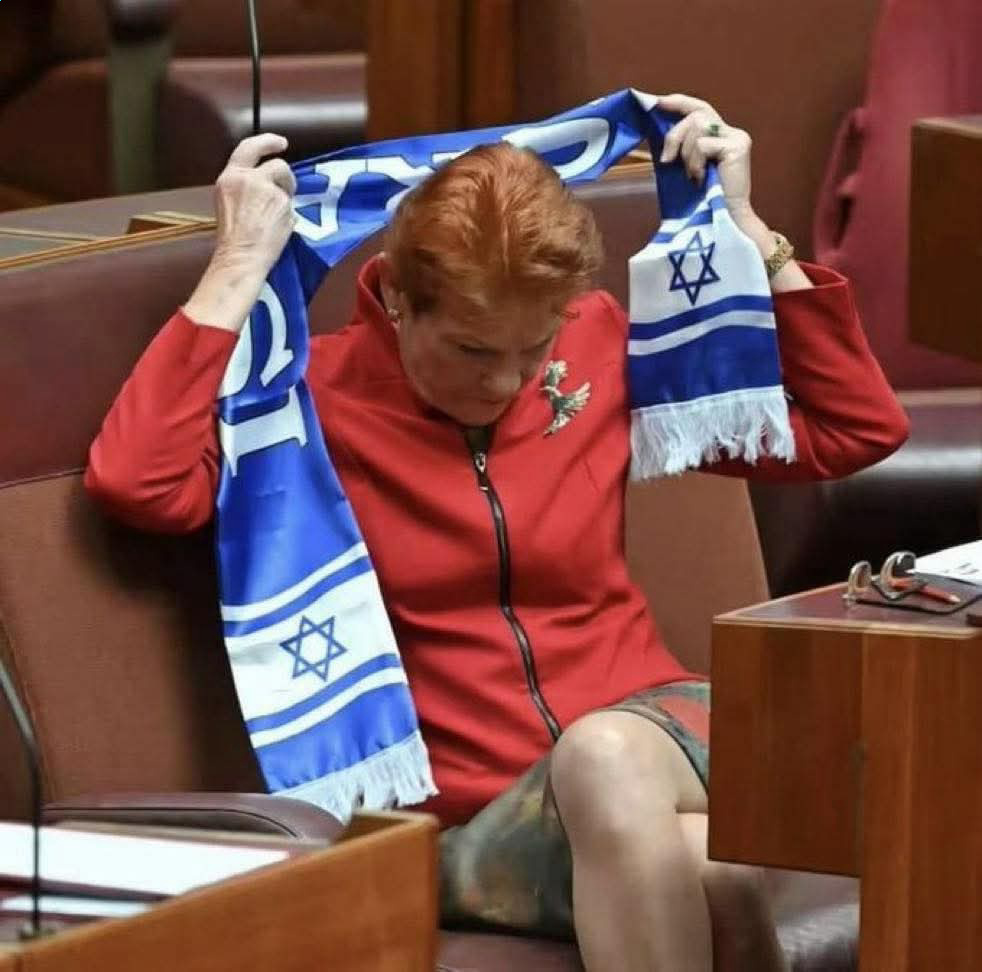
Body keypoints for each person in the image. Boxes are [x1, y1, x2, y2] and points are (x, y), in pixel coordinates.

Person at [86, 94, 909, 971]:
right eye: (474, 351)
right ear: (397, 297)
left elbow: (852, 429)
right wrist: (238, 265)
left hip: (663, 732)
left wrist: (751, 230)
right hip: (477, 820)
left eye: (535, 348)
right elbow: (139, 483)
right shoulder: (305, 407)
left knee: (606, 756)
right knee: (717, 874)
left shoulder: (599, 342)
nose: (507, 383)